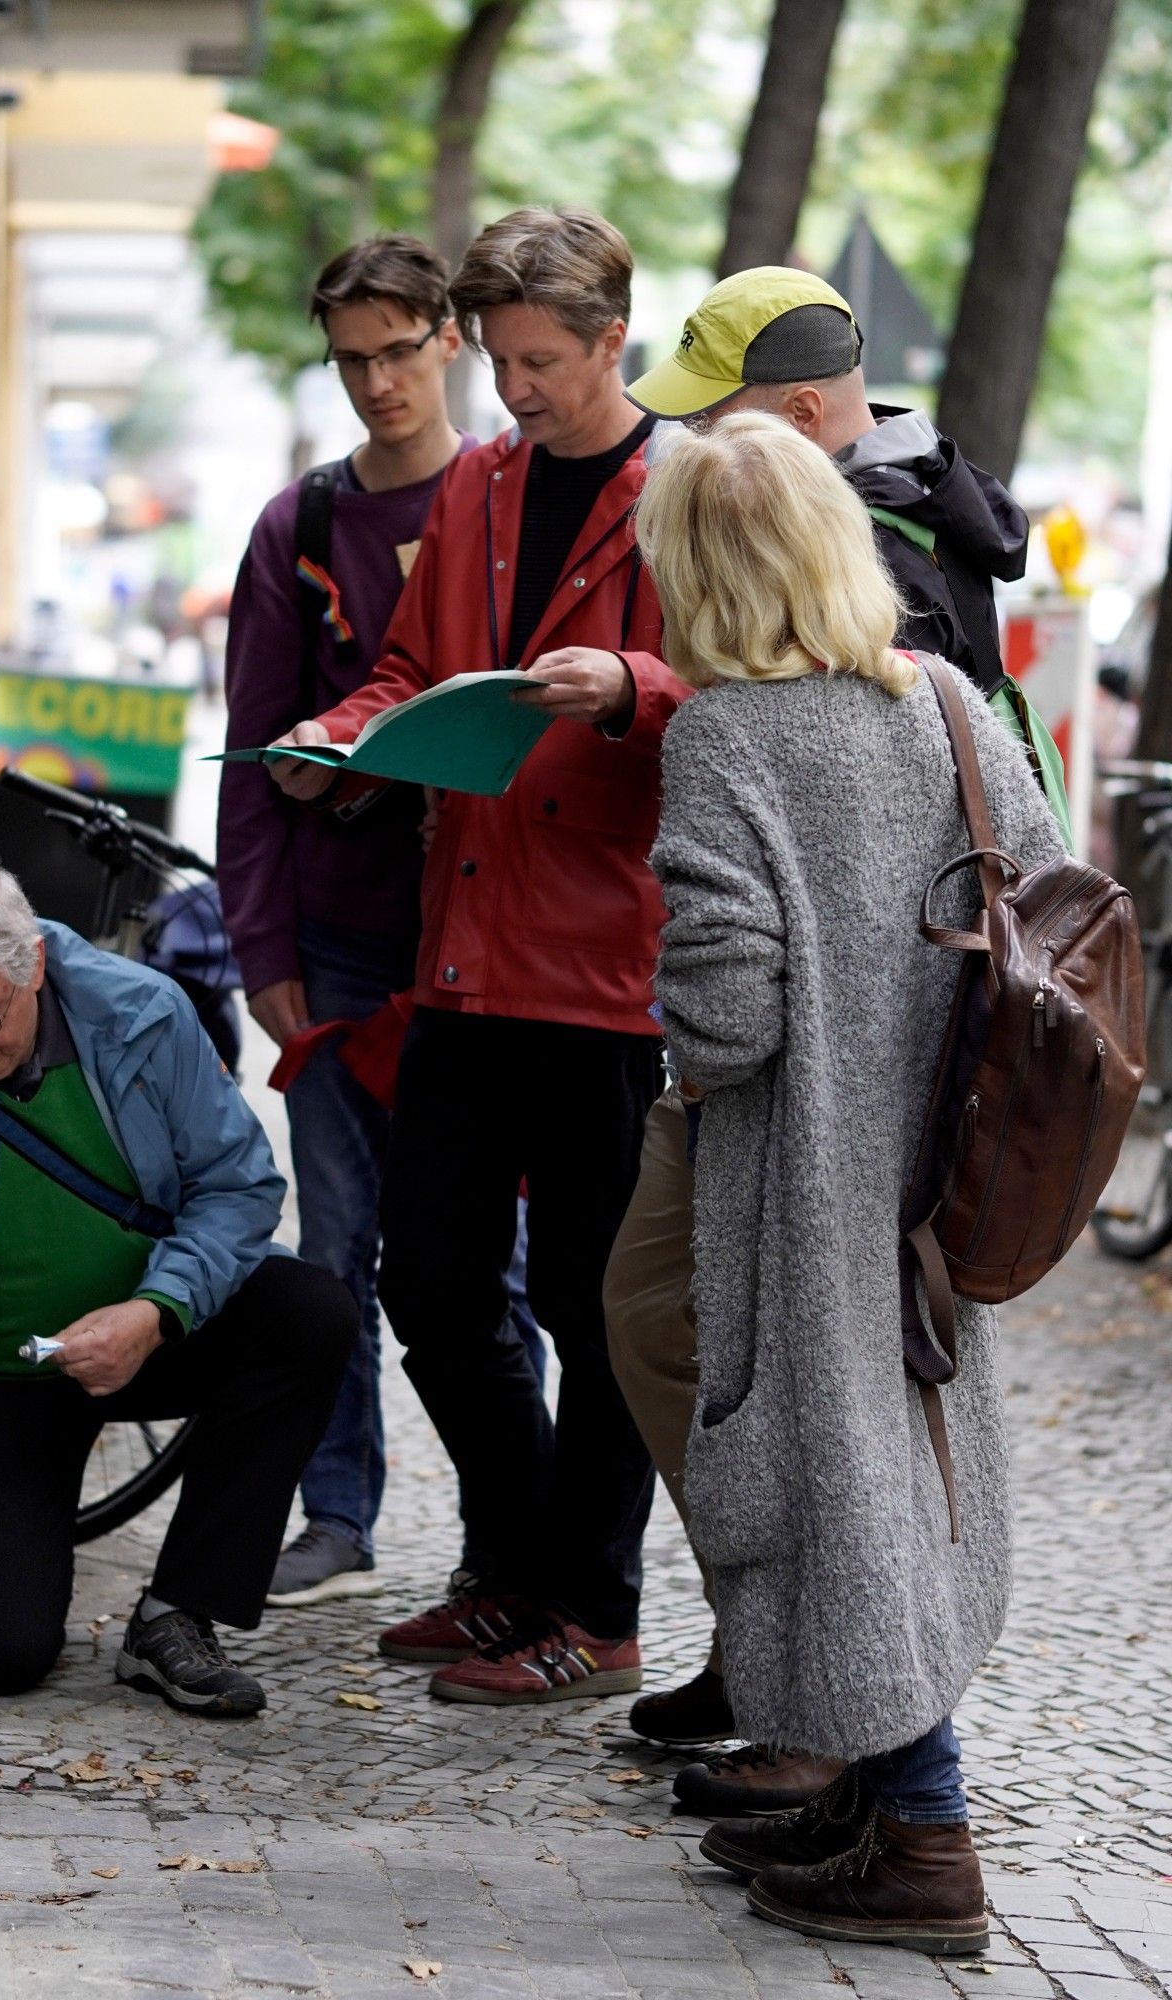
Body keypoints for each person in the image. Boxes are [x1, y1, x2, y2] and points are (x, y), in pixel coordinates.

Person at [606, 265, 1059, 1816]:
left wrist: (687, 1020)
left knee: (822, 1467)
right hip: (948, 1173)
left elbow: (727, 1021)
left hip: (803, 1190)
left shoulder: (732, 735)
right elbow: (1049, 896)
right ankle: (883, 1800)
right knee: (904, 1460)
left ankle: (917, 1822)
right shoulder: (948, 702)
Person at [269, 207, 689, 1705]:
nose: (514, 392)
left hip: (609, 972)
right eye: (500, 361)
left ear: (610, 340)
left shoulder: (687, 487)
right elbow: (407, 666)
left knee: (592, 1311)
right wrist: (339, 737)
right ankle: (516, 1568)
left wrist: (634, 683)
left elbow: (764, 685)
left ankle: (597, 1609)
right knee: (433, 1286)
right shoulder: (484, 487)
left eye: (541, 363)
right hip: (463, 957)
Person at [0, 864, 355, 1718]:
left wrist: (156, 1310)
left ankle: (177, 1613)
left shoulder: (143, 1014)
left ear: (35, 967)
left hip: (144, 1336)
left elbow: (240, 1188)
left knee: (309, 1313)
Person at [218, 234, 544, 1611]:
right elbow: (251, 757)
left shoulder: (519, 504)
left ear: (451, 342)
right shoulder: (300, 527)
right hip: (347, 943)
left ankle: (506, 1541)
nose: (375, 384)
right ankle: (338, 1508)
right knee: (333, 1245)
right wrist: (264, 951)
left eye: (399, 351)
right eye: (350, 359)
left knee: (489, 1268)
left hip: (492, 947)